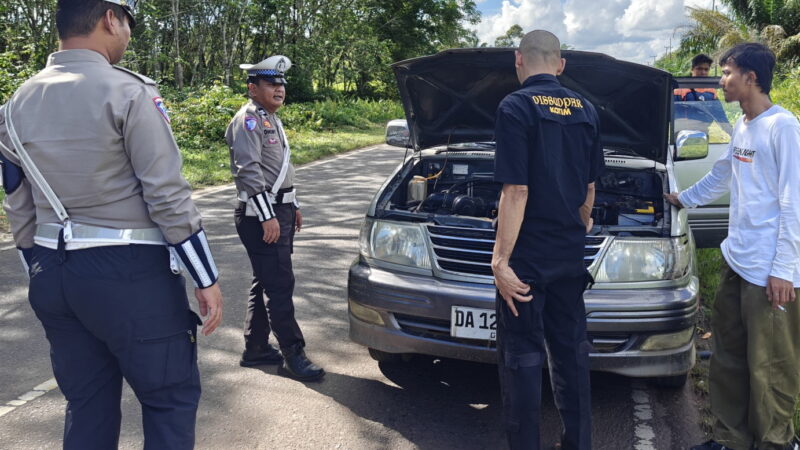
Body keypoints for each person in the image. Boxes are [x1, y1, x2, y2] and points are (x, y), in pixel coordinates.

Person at [0, 0, 224, 448]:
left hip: (52, 273)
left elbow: (18, 205)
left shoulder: (14, 104)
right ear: (109, 18)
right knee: (169, 400)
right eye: (128, 23)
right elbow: (165, 193)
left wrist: (39, 270)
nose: (127, 35)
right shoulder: (129, 91)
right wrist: (205, 277)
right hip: (129, 274)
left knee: (87, 404)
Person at [665, 43, 800, 450]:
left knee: (770, 367)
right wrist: (683, 199)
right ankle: (731, 440)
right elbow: (723, 173)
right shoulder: (743, 124)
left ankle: (775, 443)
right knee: (728, 357)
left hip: (768, 271)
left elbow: (794, 201)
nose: (721, 80)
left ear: (751, 78)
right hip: (737, 260)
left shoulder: (782, 127)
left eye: (727, 73)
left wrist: (784, 270)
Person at [491, 30, 603, 450]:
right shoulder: (586, 109)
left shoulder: (515, 106)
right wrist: (581, 222)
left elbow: (516, 190)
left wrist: (500, 260)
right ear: (561, 64)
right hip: (569, 257)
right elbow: (589, 186)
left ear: (518, 59)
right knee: (572, 354)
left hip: (527, 262)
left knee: (522, 359)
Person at [225, 56, 324, 381]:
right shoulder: (249, 119)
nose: (279, 89)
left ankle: (255, 348)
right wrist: (268, 217)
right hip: (260, 215)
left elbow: (278, 171)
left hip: (278, 210)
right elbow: (248, 171)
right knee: (280, 285)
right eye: (271, 83)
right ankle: (294, 353)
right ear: (253, 88)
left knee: (265, 280)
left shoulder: (269, 118)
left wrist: (293, 206)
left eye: (281, 83)